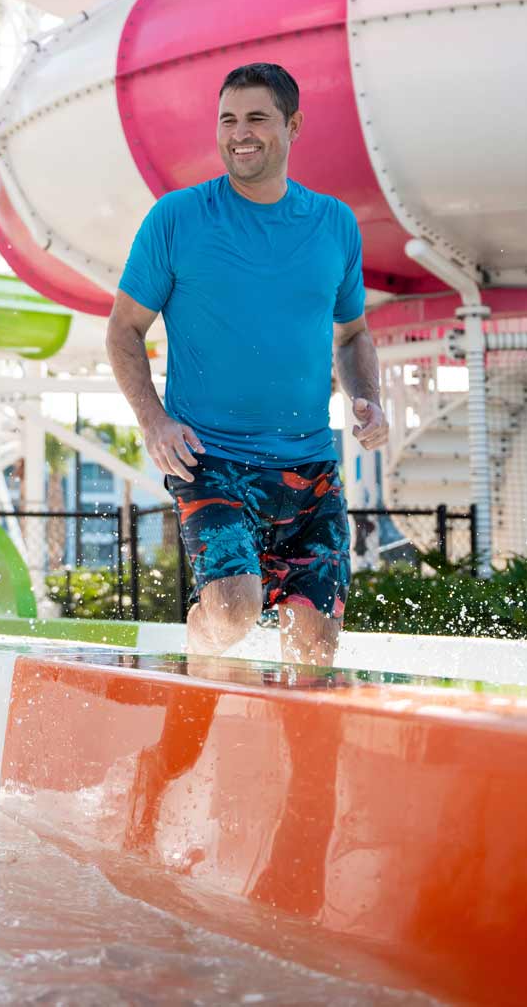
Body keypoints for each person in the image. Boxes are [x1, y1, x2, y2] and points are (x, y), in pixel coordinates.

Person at [107, 62, 387, 667]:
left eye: (257, 118)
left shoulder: (334, 224)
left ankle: (284, 761)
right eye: (228, 119)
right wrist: (154, 422)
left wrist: (366, 395)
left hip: (309, 467)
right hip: (210, 460)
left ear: (293, 125)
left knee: (314, 658)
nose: (241, 132)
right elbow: (124, 330)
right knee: (233, 612)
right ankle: (197, 670)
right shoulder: (177, 219)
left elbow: (354, 333)